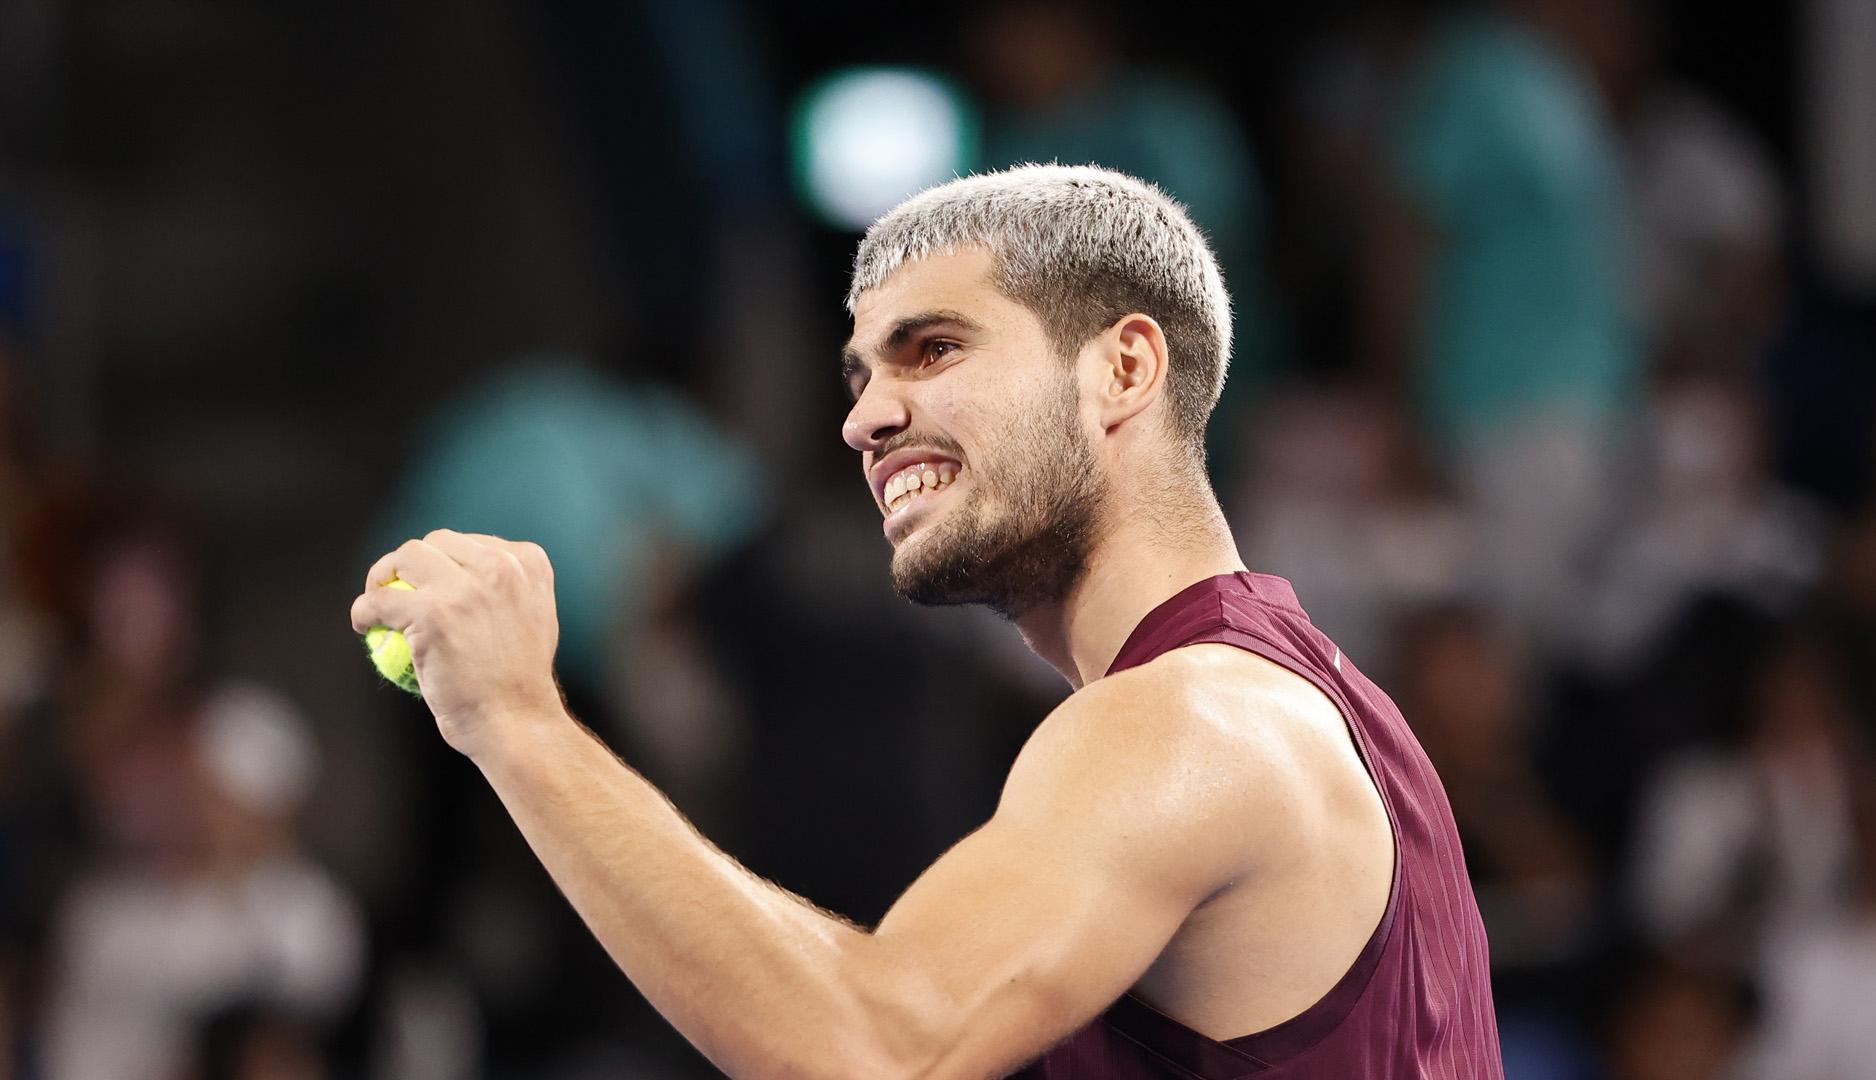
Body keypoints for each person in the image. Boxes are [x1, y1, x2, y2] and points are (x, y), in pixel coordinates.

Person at [350, 164, 1502, 1078]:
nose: (868, 418)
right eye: (858, 377)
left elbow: (873, 1048)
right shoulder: (1299, 702)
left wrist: (519, 721)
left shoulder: (1191, 722)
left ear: (1124, 368)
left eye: (934, 348)